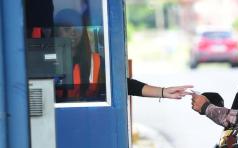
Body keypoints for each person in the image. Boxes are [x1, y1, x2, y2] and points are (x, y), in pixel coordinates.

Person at [54, 8, 192, 101]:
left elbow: (123, 84)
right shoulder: (47, 62)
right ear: (56, 31)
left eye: (77, 28)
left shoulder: (96, 62)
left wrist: (163, 92)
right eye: (66, 28)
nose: (73, 32)